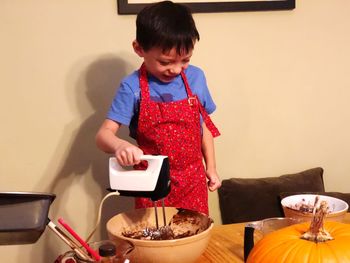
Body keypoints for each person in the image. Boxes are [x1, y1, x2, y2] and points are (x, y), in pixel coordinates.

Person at [95, 0, 221, 215]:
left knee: (192, 237)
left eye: (185, 60)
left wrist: (211, 167)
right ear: (139, 49)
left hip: (193, 181)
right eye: (165, 62)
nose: (176, 69)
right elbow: (103, 135)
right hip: (151, 183)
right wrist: (120, 146)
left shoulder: (196, 78)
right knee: (155, 241)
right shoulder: (132, 87)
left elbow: (204, 129)